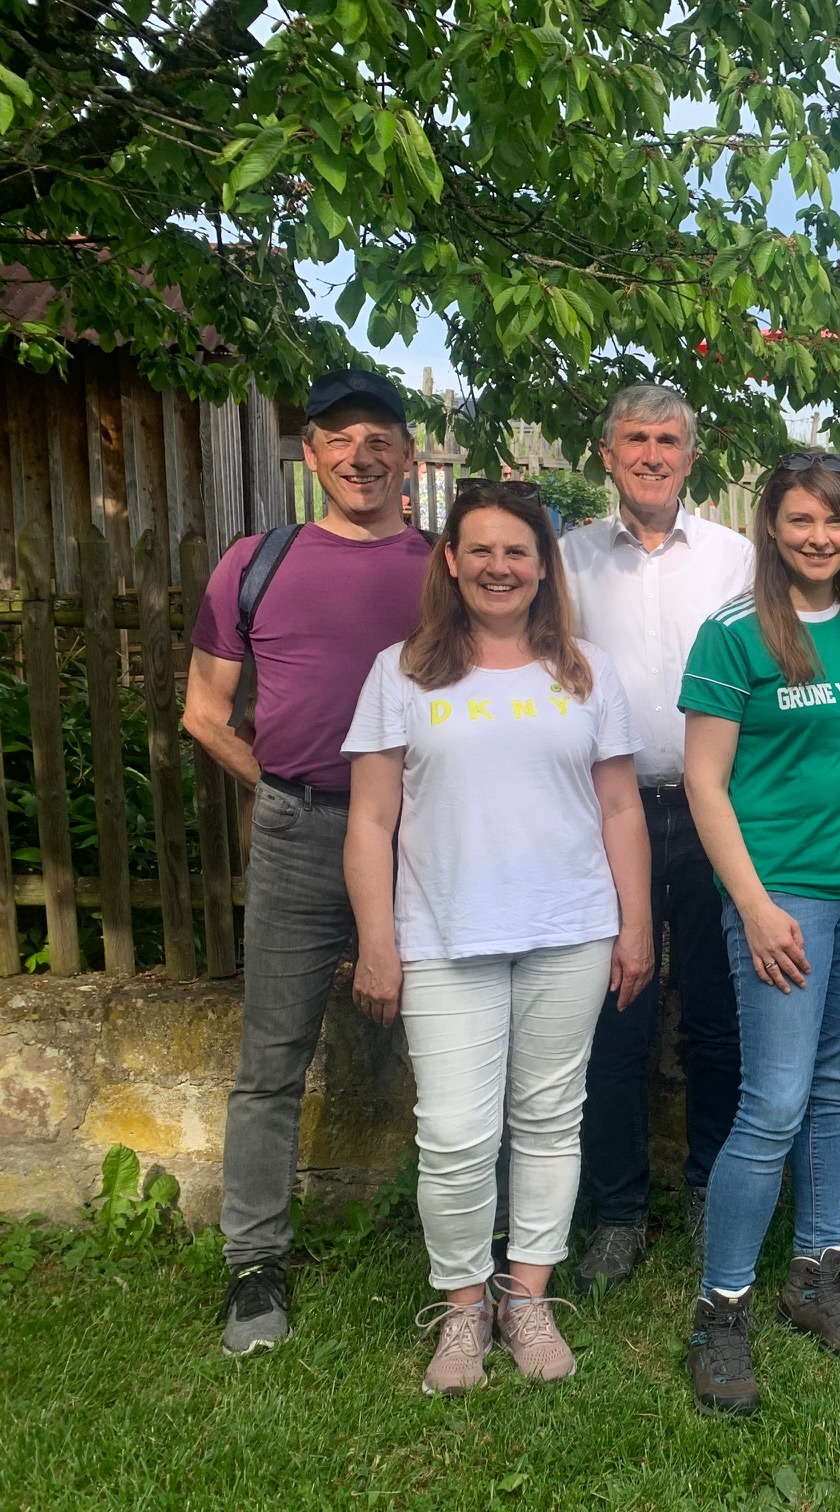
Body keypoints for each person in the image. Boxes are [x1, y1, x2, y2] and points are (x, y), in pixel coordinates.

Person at [342, 480, 652, 1395]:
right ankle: (463, 1308)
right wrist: (376, 940)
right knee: (453, 1135)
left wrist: (635, 927)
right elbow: (369, 822)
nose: (499, 566)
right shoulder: (402, 673)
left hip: (569, 930)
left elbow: (622, 807)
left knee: (552, 1122)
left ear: (543, 566)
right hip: (442, 934)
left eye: (518, 551)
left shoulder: (586, 671)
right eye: (480, 549)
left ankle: (528, 1299)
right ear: (450, 561)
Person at [185, 369, 434, 1356]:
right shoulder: (256, 563)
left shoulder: (446, 569)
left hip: (426, 839)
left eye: (381, 436)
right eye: (339, 437)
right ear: (311, 455)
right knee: (271, 1064)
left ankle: (465, 1249)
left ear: (408, 456)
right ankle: (253, 1265)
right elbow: (205, 713)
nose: (361, 454)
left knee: (453, 1054)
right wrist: (281, 791)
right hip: (299, 834)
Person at [679, 453, 840, 1418]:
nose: (819, 537)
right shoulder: (733, 635)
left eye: (835, 521)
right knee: (773, 1102)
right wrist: (753, 903)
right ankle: (720, 1310)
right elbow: (705, 783)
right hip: (784, 898)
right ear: (771, 529)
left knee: (834, 1087)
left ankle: (815, 1276)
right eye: (799, 521)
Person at [560, 385, 755, 1289]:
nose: (650, 454)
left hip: (721, 808)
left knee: (719, 1018)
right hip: (609, 815)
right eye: (634, 438)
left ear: (690, 454)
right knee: (617, 1018)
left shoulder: (736, 559)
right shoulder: (567, 562)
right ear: (608, 453)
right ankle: (620, 1213)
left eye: (667, 440)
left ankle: (714, 1184)